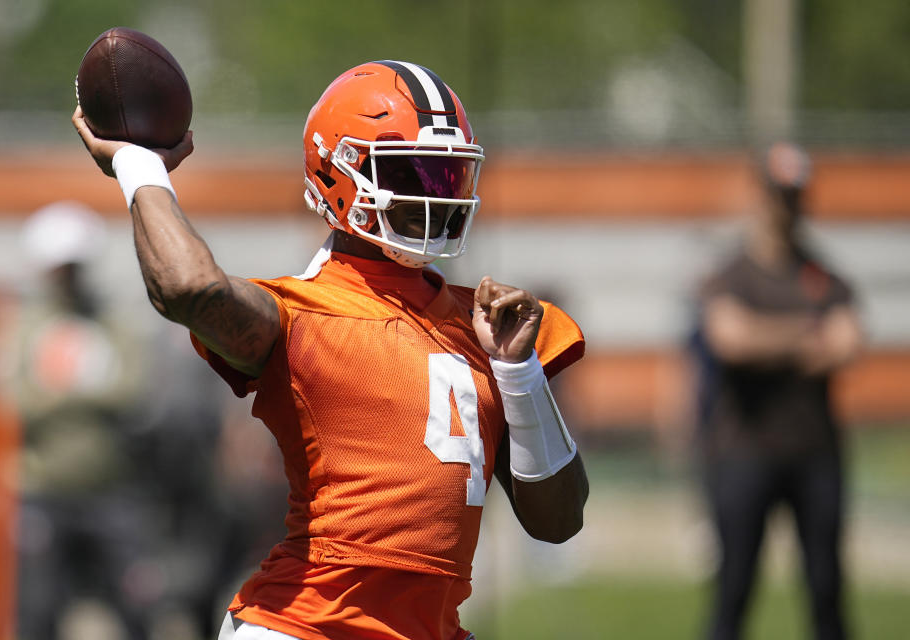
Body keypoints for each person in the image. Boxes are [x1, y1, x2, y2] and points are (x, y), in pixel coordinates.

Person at [72, 60, 589, 640]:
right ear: (338, 171)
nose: (437, 199)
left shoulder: (488, 326)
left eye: (448, 178)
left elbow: (559, 521)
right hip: (304, 627)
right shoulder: (300, 316)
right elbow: (188, 288)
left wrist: (518, 372)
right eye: (413, 176)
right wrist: (137, 165)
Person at [692, 142, 863, 640]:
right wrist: (808, 333)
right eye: (778, 194)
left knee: (827, 591)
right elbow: (730, 339)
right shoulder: (732, 274)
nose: (786, 206)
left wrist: (766, 336)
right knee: (734, 592)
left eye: (795, 195)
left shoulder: (824, 274)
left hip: (816, 455)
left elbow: (848, 341)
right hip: (744, 453)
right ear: (759, 195)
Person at [1, 202, 151, 640]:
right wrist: (83, 397)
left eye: (74, 266)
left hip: (110, 488)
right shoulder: (24, 325)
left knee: (135, 607)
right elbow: (12, 401)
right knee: (37, 609)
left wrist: (60, 395)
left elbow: (134, 391)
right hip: (40, 489)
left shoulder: (113, 323)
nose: (68, 277)